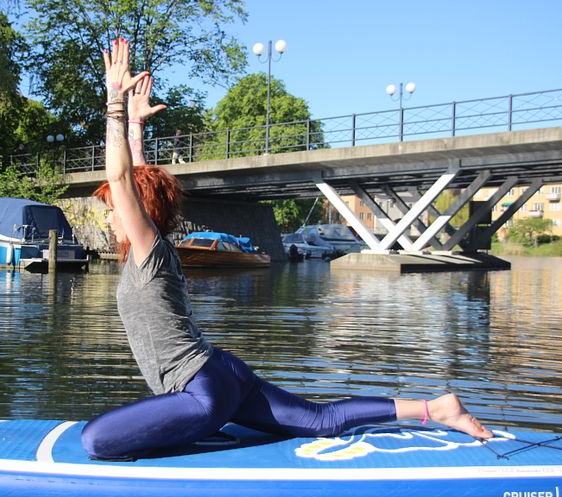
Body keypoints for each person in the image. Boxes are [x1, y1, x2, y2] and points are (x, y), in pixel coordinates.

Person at [81, 37, 494, 461]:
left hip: (201, 392)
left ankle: (199, 428)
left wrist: (115, 102)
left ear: (138, 211)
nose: (111, 215)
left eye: (114, 209)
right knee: (320, 419)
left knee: (96, 441)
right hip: (220, 375)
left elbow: (125, 181)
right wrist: (136, 126)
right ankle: (435, 408)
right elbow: (140, 179)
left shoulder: (151, 251)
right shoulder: (148, 250)